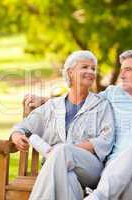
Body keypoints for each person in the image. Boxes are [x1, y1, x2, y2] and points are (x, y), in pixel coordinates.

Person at [26, 48, 132, 200]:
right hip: (116, 172)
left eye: (127, 70)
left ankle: (97, 197)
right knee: (128, 184)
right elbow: (80, 100)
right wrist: (45, 100)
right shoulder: (112, 95)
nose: (121, 75)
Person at [10, 50, 115, 200]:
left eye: (93, 68)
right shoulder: (52, 106)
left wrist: (66, 150)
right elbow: (23, 126)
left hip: (90, 169)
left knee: (62, 150)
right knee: (68, 178)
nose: (91, 71)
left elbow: (105, 140)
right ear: (70, 72)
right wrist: (16, 134)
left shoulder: (101, 105)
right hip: (58, 170)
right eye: (85, 67)